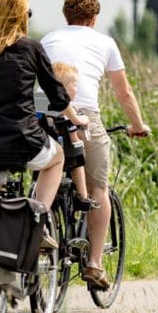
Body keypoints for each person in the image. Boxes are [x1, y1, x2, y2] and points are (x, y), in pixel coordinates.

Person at [41, 0, 151, 290]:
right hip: (83, 114)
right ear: (94, 18)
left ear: (66, 16)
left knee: (45, 171)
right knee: (99, 189)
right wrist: (138, 124)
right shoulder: (105, 42)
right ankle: (94, 264)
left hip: (43, 115)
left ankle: (42, 223)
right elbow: (123, 91)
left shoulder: (48, 39)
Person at [0, 0, 87, 231]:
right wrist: (75, 117)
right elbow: (57, 95)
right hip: (24, 139)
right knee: (57, 158)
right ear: (22, 17)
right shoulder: (31, 48)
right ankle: (37, 223)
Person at [49, 61, 92, 207]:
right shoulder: (68, 110)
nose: (77, 90)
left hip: (44, 149)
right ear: (63, 89)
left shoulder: (44, 106)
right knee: (78, 159)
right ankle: (83, 196)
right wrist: (84, 120)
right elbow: (73, 136)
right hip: (65, 153)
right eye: (74, 85)